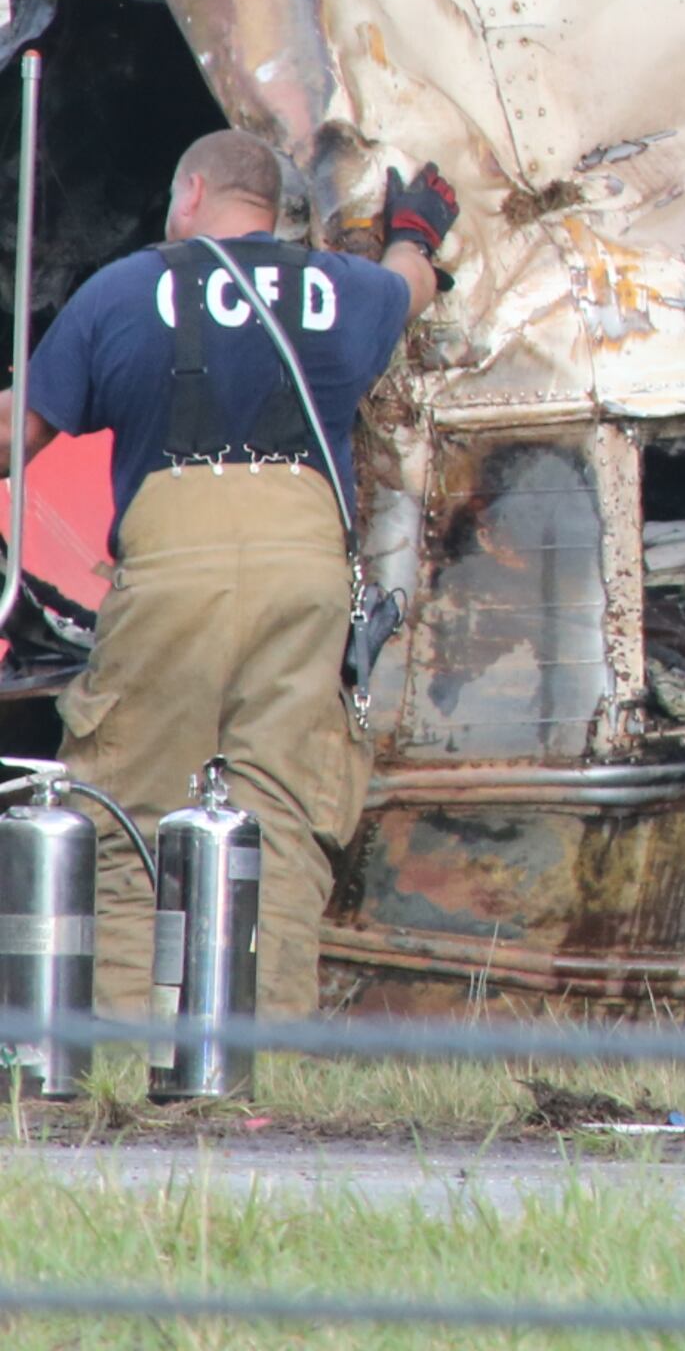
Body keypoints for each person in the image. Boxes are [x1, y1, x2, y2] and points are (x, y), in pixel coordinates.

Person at [13, 127, 451, 1031]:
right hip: (304, 577)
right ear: (273, 209)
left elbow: (19, 435)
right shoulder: (343, 290)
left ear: (193, 193)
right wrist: (416, 229)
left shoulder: (127, 290)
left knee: (132, 816)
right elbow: (411, 288)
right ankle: (265, 1067)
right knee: (281, 821)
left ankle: (133, 1049)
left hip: (174, 575)